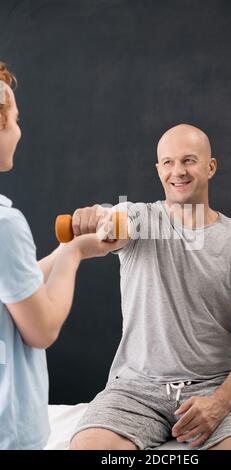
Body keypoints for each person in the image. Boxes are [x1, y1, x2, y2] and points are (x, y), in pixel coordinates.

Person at [69, 123, 231, 450]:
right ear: (158, 169)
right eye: (168, 162)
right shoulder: (137, 218)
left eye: (189, 160)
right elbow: (115, 225)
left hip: (215, 386)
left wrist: (219, 404)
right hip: (135, 389)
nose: (177, 171)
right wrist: (102, 219)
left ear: (211, 166)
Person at [0, 62, 117, 449]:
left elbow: (15, 289)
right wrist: (75, 254)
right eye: (14, 120)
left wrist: (64, 249)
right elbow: (42, 328)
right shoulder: (6, 224)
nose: (19, 131)